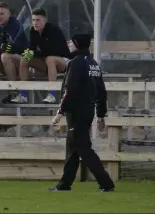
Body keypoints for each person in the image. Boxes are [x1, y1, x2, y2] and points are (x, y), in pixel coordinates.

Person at [49, 33, 115, 192]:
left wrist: (60, 111)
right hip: (88, 111)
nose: (69, 45)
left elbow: (69, 89)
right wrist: (100, 114)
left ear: (77, 44)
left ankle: (106, 183)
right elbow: (101, 91)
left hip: (76, 112)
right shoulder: (93, 64)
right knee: (73, 149)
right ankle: (65, 184)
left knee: (84, 149)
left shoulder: (76, 63)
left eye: (72, 42)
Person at [14, 8, 71, 104]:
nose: (35, 23)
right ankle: (23, 95)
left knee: (50, 59)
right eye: (33, 20)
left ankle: (52, 94)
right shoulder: (33, 31)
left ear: (45, 20)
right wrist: (28, 52)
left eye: (38, 20)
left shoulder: (54, 30)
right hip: (46, 61)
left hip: (63, 61)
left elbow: (55, 51)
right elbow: (31, 47)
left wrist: (36, 53)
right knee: (25, 58)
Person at [0, 2, 29, 103]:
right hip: (5, 62)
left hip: (23, 60)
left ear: (9, 15)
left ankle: (15, 93)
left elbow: (10, 47)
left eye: (2, 14)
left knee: (4, 56)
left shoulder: (15, 25)